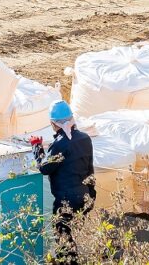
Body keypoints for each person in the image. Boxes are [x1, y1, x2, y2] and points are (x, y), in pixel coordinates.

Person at [36, 99, 97, 258]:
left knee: (64, 243)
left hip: (66, 202)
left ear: (54, 123)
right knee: (74, 238)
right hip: (84, 197)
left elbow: (44, 168)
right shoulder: (85, 139)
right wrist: (91, 195)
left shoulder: (60, 144)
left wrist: (38, 151)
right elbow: (90, 169)